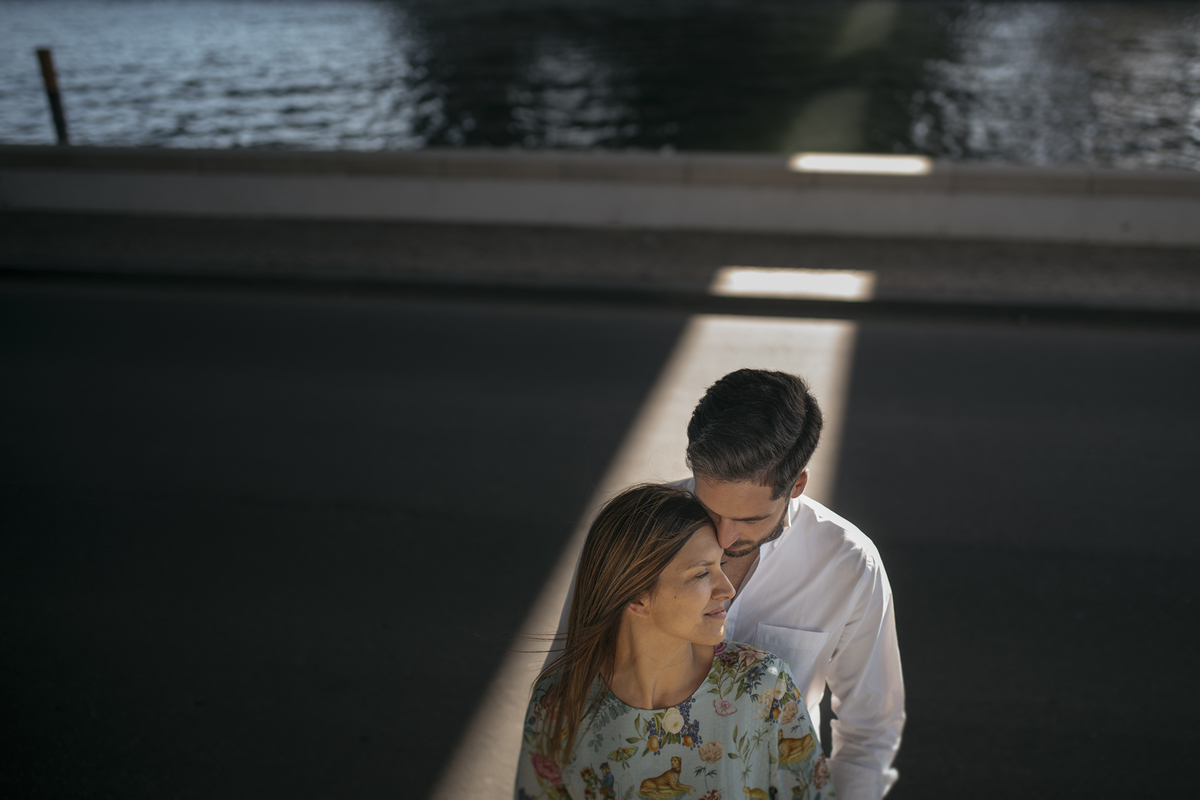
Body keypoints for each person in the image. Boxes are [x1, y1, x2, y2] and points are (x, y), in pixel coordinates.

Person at [515, 484, 832, 800]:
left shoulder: (764, 687)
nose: (727, 589)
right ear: (637, 598)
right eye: (700, 574)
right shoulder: (557, 705)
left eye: (719, 565)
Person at [680, 369, 904, 799]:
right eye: (709, 509)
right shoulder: (632, 537)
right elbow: (570, 679)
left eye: (749, 519)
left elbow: (870, 728)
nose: (724, 538)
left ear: (797, 484)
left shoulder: (849, 565)